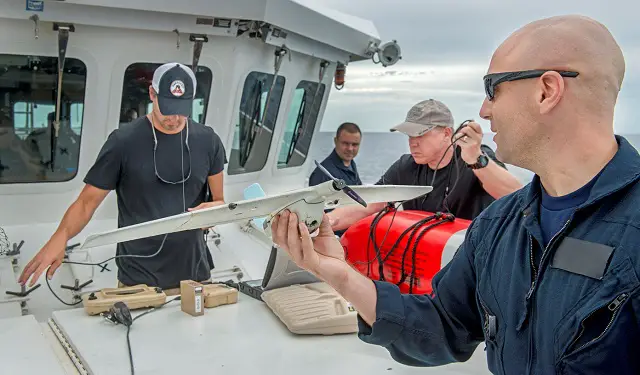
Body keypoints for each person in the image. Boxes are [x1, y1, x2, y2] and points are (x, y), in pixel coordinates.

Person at [270, 15, 639, 374]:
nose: (483, 109)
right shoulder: (497, 227)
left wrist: (475, 160)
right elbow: (441, 326)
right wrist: (340, 274)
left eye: (493, 88)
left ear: (547, 91)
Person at [19, 62, 227, 294]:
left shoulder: (209, 141)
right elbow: (86, 203)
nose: (174, 118)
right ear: (152, 94)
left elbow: (219, 201)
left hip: (195, 276)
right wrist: (60, 236)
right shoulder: (123, 142)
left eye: (181, 109)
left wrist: (213, 213)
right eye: (168, 108)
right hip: (139, 281)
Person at [328, 99, 522, 232]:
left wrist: (476, 159)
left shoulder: (474, 159)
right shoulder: (406, 166)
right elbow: (368, 204)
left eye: (420, 134)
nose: (413, 142)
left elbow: (517, 196)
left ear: (447, 133)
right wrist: (325, 222)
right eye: (410, 135)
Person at [309, 122, 363, 187]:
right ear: (335, 141)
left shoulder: (351, 165)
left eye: (354, 144)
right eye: (345, 143)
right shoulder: (322, 174)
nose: (350, 149)